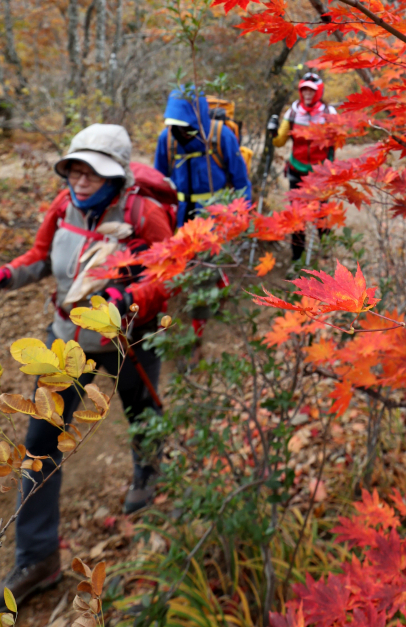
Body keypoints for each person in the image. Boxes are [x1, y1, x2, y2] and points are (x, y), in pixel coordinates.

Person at [0, 124, 174, 606]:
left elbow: (168, 273)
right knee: (40, 445)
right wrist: (9, 273)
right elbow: (40, 254)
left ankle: (148, 474)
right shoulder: (64, 206)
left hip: (127, 341)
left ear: (115, 176)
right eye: (75, 169)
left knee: (141, 415)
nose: (80, 180)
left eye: (92, 173)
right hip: (67, 343)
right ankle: (38, 558)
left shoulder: (146, 213)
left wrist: (128, 295)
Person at [154, 89, 252, 227]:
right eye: (176, 126)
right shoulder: (167, 139)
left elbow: (241, 182)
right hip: (178, 217)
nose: (181, 131)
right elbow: (157, 182)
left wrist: (241, 218)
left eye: (186, 126)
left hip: (216, 218)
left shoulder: (222, 136)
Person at [271, 72, 337, 262]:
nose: (307, 93)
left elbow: (338, 140)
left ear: (319, 91)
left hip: (321, 175)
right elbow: (279, 142)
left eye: (311, 90)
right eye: (304, 89)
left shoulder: (328, 114)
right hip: (297, 171)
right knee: (296, 217)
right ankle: (297, 259)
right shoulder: (292, 113)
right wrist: (273, 131)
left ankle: (326, 256)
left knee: (322, 216)